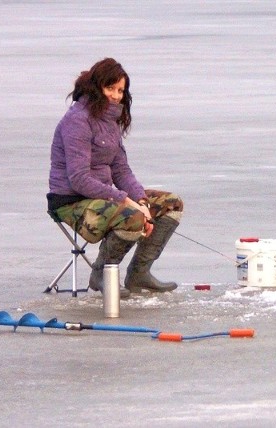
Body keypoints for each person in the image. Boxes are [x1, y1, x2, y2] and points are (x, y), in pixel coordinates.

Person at [47, 58, 183, 299]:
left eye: (121, 90)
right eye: (111, 89)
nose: (117, 96)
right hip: (71, 202)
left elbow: (121, 170)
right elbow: (79, 179)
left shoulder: (109, 122)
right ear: (96, 87)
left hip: (101, 198)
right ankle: (101, 273)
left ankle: (139, 273)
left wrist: (140, 200)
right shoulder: (77, 121)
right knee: (131, 217)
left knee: (170, 203)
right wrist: (126, 202)